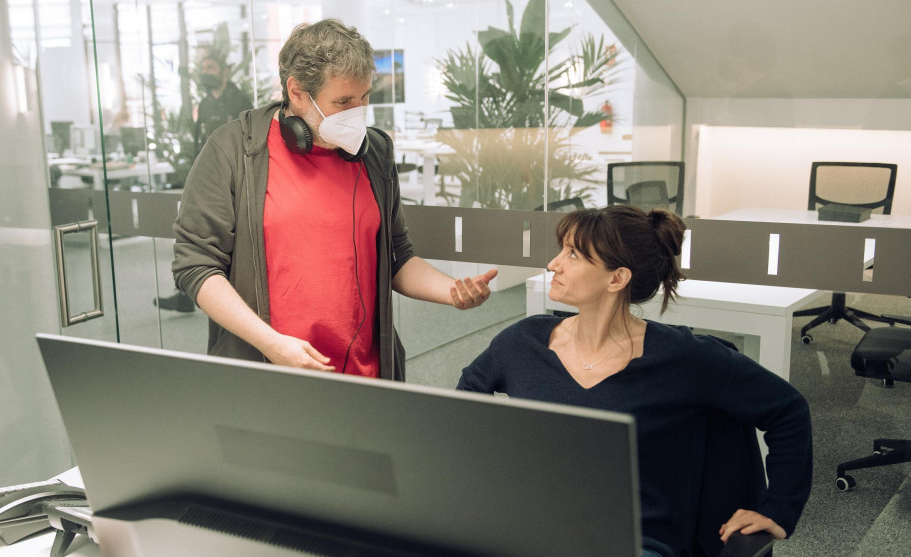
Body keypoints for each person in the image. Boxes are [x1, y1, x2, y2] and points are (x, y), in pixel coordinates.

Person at [457, 205, 812, 557]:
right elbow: (459, 411)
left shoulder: (684, 358)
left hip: (633, 544)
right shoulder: (523, 342)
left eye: (573, 254)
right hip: (529, 532)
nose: (554, 264)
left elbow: (788, 410)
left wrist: (777, 508)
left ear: (617, 278)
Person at [171, 19, 497, 380]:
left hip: (366, 375)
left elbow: (397, 256)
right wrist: (271, 343)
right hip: (269, 369)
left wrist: (451, 291)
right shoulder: (234, 150)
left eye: (364, 98)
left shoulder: (373, 152)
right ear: (296, 92)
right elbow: (197, 266)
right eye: (343, 101)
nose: (358, 113)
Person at [157, 48, 254, 312]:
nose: (205, 74)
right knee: (198, 242)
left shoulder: (239, 99)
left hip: (238, 180)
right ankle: (186, 296)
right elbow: (202, 141)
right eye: (203, 69)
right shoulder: (206, 103)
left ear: (224, 71)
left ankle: (234, 306)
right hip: (209, 179)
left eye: (210, 68)